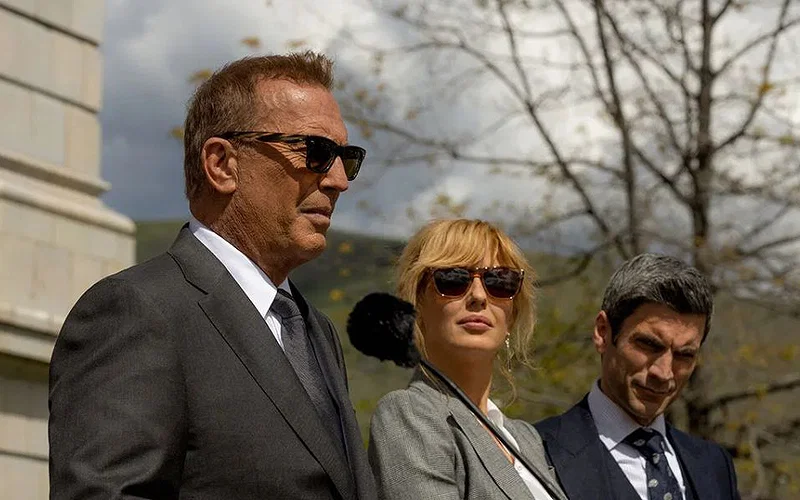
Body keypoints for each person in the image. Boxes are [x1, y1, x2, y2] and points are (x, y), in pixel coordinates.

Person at [48, 52, 377, 500]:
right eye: (316, 153)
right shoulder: (139, 311)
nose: (339, 179)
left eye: (346, 157)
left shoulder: (313, 329)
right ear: (222, 164)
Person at [368, 219, 568, 500]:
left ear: (511, 314)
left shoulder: (526, 440)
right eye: (453, 279)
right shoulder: (409, 414)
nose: (478, 296)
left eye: (500, 282)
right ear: (417, 304)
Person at [535, 253, 741, 500]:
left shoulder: (714, 465)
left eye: (684, 355)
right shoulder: (536, 453)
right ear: (603, 332)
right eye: (648, 345)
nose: (663, 373)